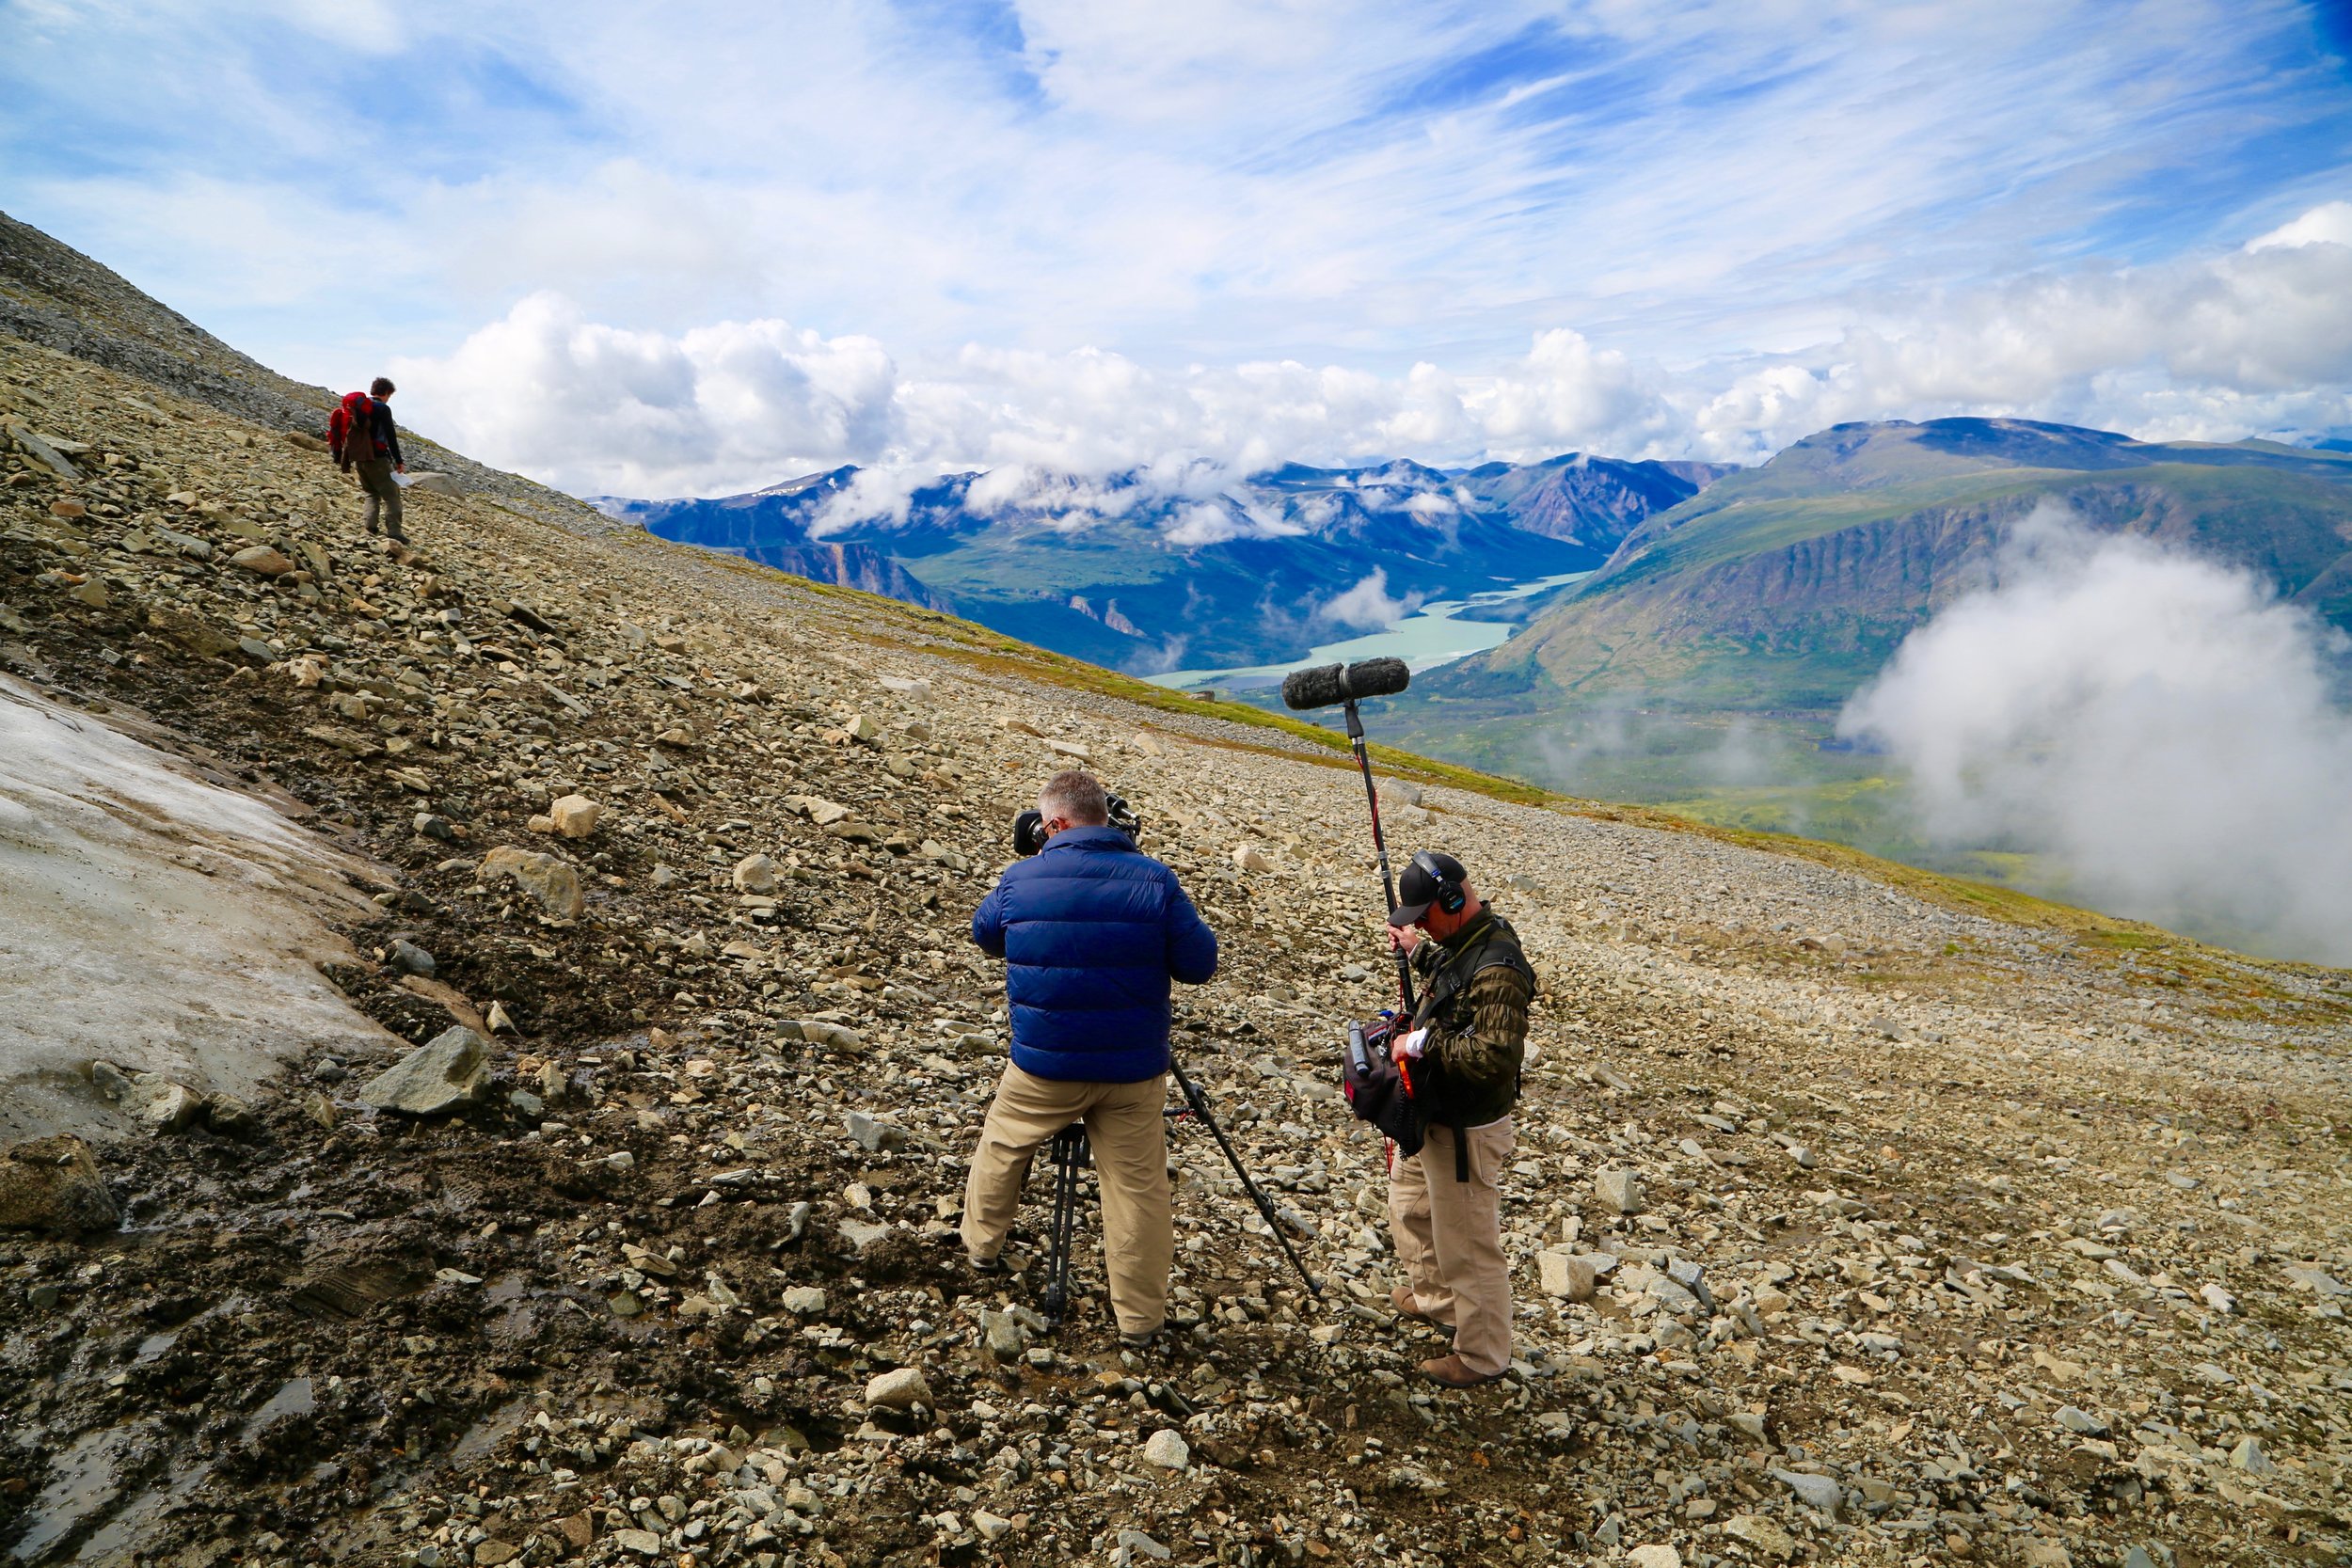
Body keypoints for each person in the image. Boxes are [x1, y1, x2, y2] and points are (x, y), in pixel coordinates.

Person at [961, 769, 1218, 1349]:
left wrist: (1032, 874)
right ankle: (1139, 1323)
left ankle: (981, 1248)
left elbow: (987, 934)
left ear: (1052, 825)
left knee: (1003, 1144)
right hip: (1131, 1071)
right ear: (1106, 818)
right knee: (1137, 1188)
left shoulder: (1019, 878)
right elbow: (1200, 964)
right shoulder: (1155, 880)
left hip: (1043, 1067)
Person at [1382, 849, 1535, 1387]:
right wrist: (1418, 951)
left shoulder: (1498, 967)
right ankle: (1438, 1303)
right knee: (1412, 1211)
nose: (1419, 922)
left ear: (1454, 899)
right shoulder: (1459, 944)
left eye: (1424, 914)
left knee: (1468, 1244)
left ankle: (1482, 1354)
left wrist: (1420, 1041)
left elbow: (1495, 1056)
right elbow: (1453, 982)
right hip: (1434, 1116)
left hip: (1467, 1127)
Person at [335, 376, 407, 542]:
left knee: (371, 493)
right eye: (390, 395)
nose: (389, 399)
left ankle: (369, 528)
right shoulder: (382, 409)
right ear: (386, 393)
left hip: (359, 457)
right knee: (392, 496)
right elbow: (390, 436)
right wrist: (398, 461)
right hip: (378, 458)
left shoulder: (358, 408)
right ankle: (395, 533)